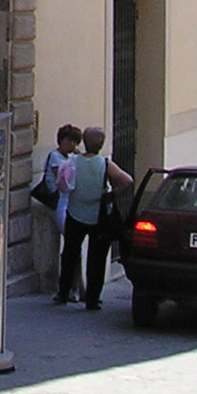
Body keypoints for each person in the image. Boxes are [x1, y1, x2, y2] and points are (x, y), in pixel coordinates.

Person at [57, 126, 132, 310]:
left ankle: (63, 292)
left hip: (75, 213)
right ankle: (92, 298)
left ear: (84, 141)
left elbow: (65, 184)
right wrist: (112, 193)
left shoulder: (74, 162)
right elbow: (127, 180)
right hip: (99, 216)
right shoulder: (105, 164)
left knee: (70, 254)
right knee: (97, 259)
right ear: (102, 144)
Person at [40, 124, 82, 244]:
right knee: (69, 233)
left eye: (75, 142)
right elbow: (63, 177)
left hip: (68, 200)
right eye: (69, 141)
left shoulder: (71, 157)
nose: (72, 145)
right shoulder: (55, 156)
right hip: (57, 200)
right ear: (61, 140)